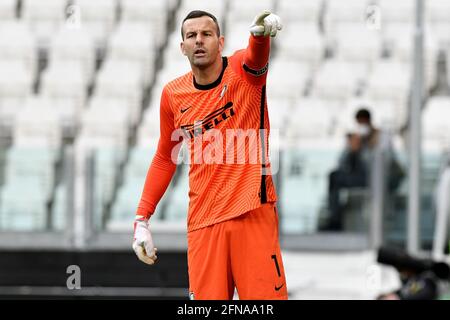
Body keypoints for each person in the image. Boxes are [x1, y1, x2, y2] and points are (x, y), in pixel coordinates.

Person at [132, 10, 287, 300]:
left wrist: (260, 36)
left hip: (251, 213)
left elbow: (257, 58)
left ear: (220, 41)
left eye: (206, 34)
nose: (199, 41)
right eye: (191, 36)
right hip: (203, 223)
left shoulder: (241, 69)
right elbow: (165, 157)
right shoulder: (172, 95)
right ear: (182, 47)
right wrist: (142, 219)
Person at [322, 108, 379, 231]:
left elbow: (374, 164)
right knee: (334, 176)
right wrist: (351, 148)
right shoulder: (355, 139)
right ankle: (334, 218)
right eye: (359, 123)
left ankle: (335, 219)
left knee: (336, 178)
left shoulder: (377, 138)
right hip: (354, 176)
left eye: (363, 123)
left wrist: (368, 145)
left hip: (370, 178)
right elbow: (341, 162)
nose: (361, 126)